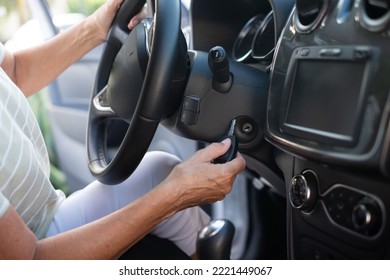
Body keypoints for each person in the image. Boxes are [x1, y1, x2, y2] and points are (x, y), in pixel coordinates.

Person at [0, 0, 246, 260]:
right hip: (35, 249)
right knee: (168, 190)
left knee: (160, 171)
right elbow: (30, 263)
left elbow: (13, 72)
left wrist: (95, 27)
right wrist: (175, 195)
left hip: (45, 217)